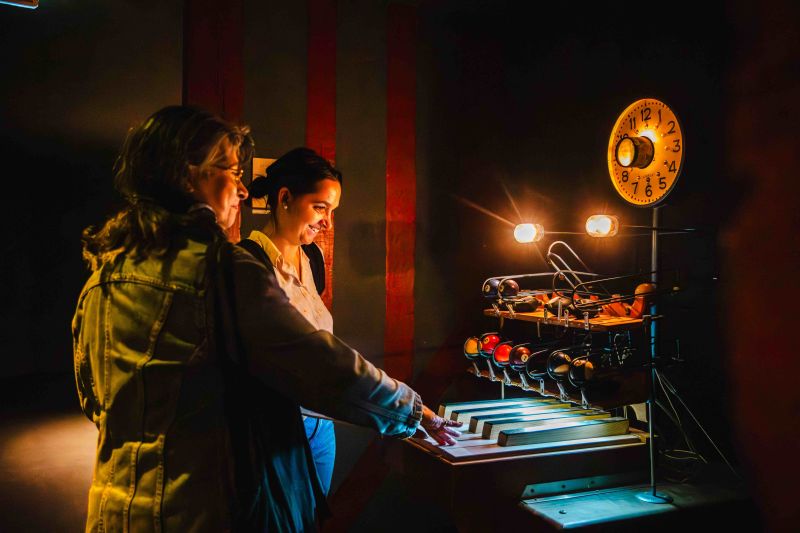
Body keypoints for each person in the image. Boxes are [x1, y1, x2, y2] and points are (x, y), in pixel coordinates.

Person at [72, 106, 460, 532]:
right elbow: (319, 364)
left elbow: (95, 401)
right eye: (229, 171)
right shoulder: (222, 270)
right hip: (206, 510)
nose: (241, 189)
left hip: (116, 511)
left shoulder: (104, 275)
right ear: (186, 176)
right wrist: (412, 410)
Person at [238, 148, 342, 497]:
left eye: (332, 212)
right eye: (320, 207)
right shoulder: (248, 261)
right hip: (278, 425)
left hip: (322, 424)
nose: (327, 222)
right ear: (285, 198)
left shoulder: (313, 257)